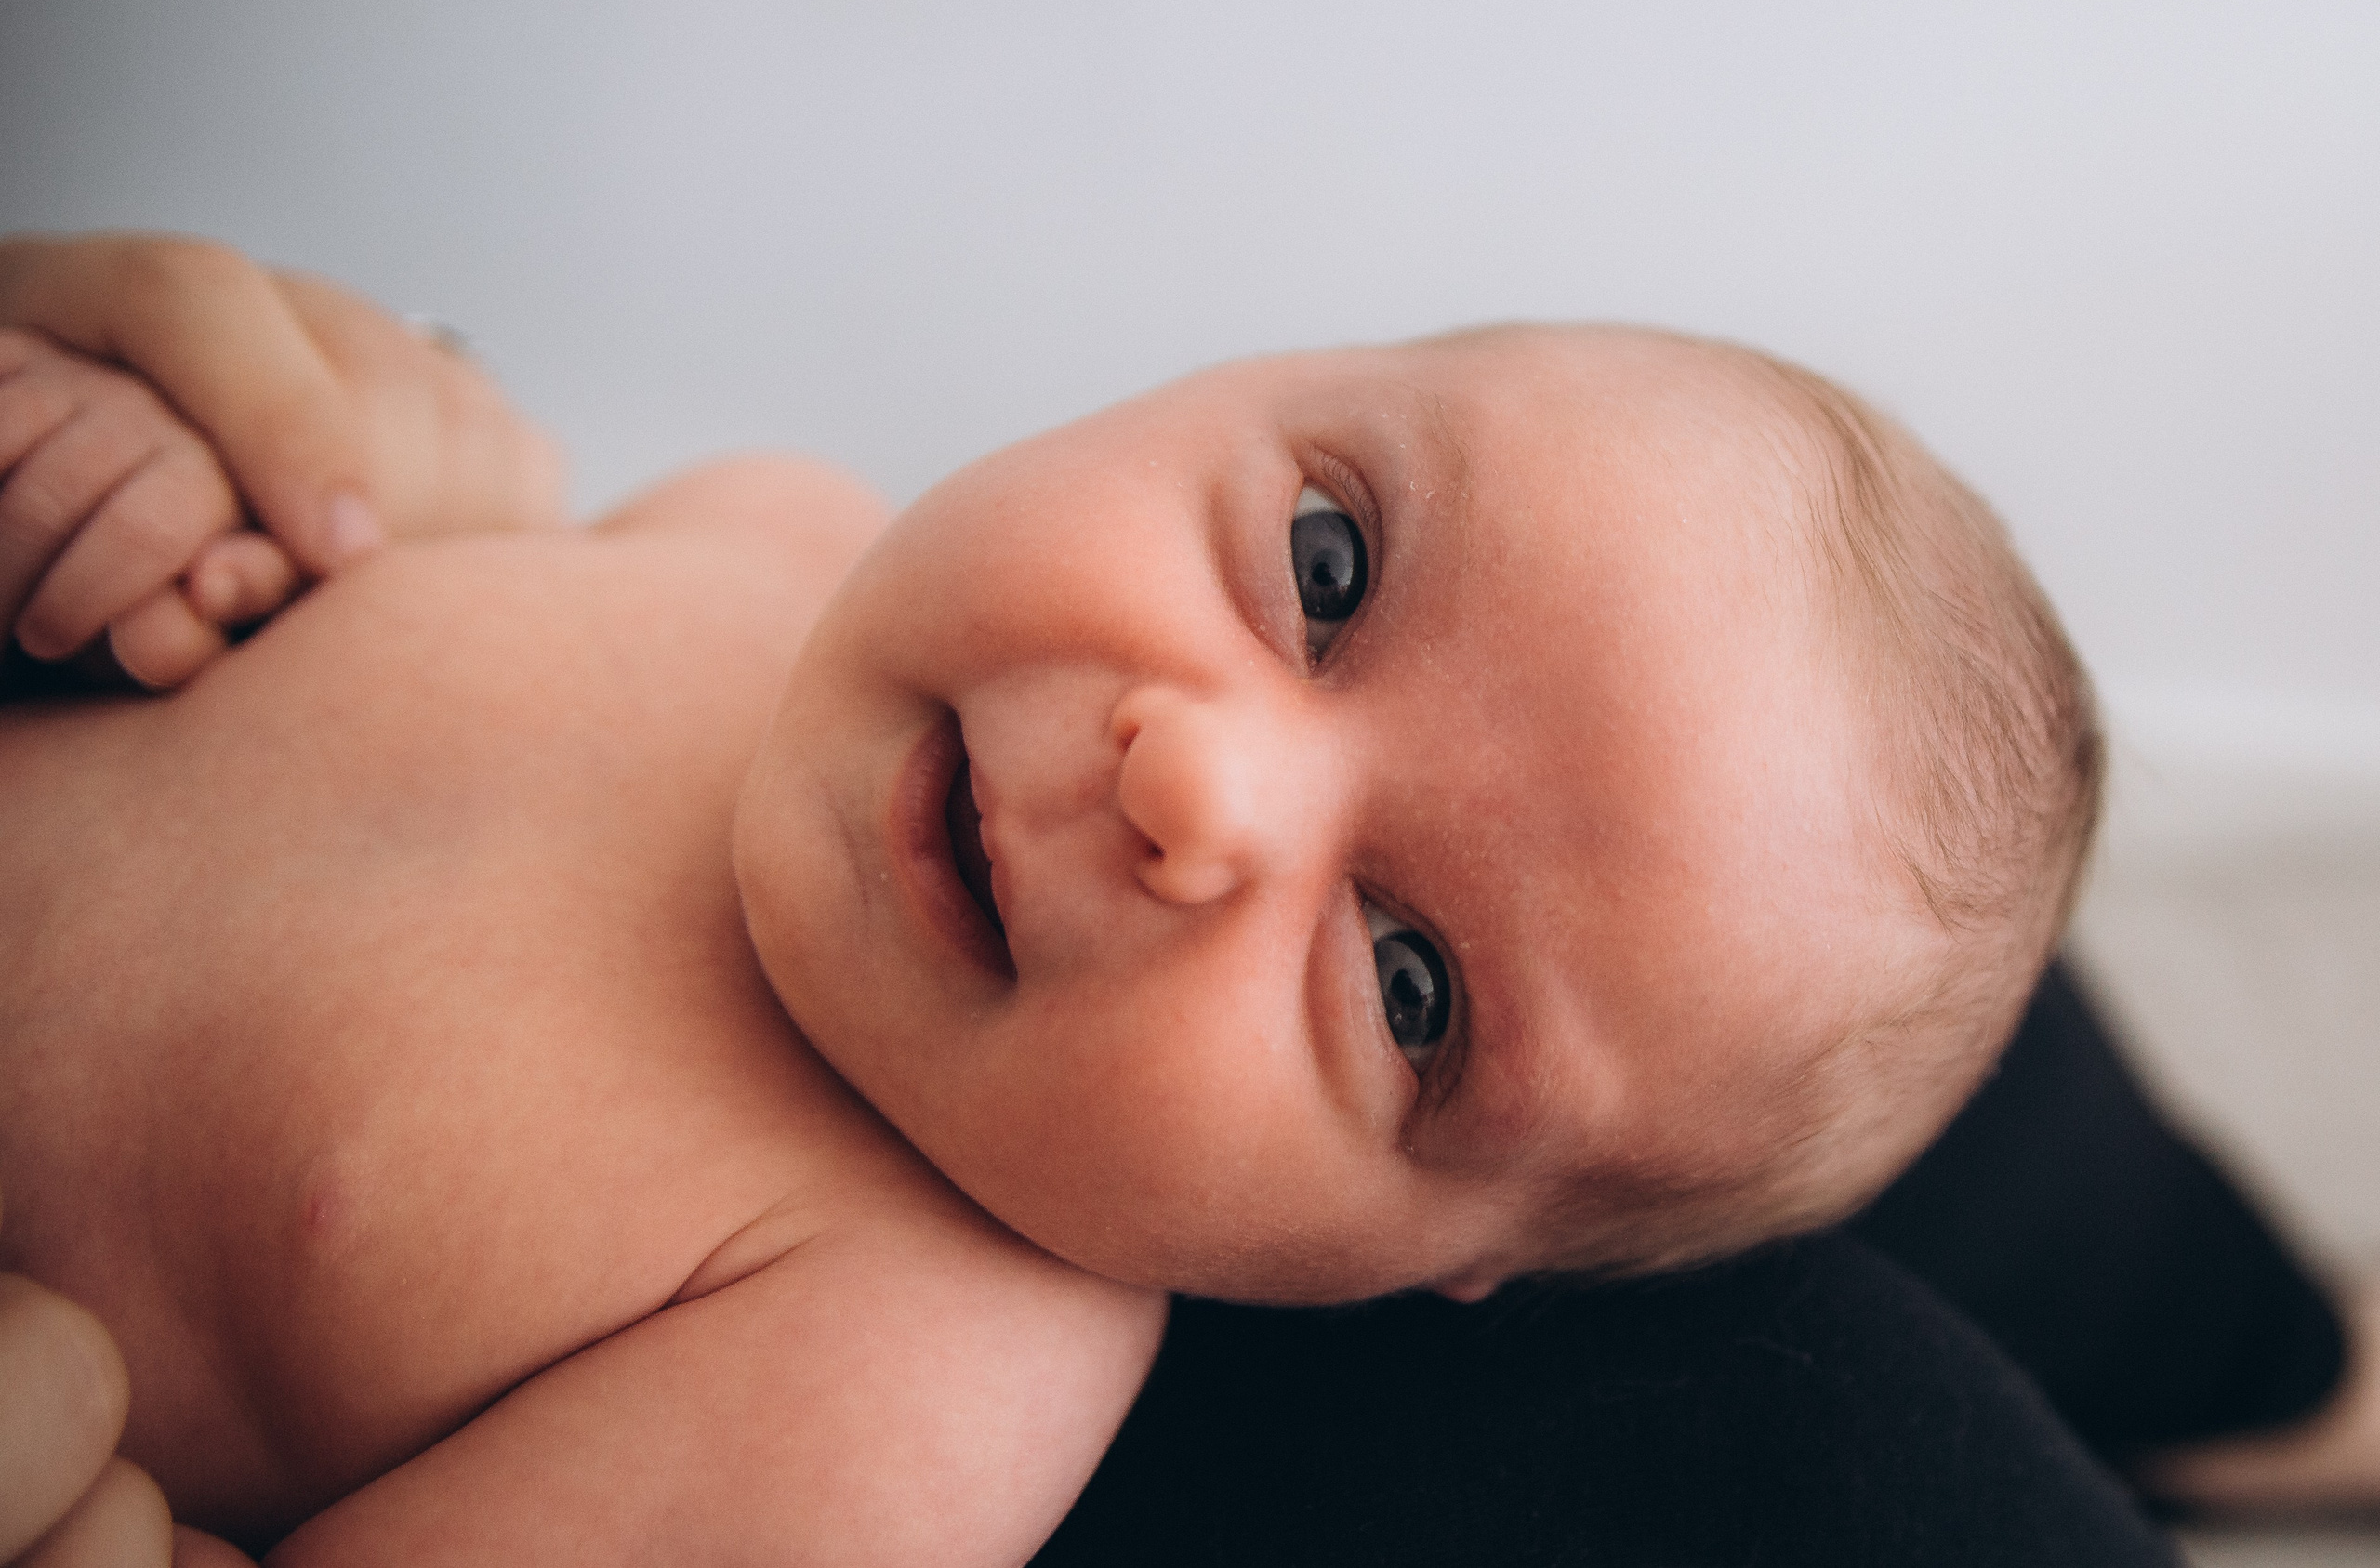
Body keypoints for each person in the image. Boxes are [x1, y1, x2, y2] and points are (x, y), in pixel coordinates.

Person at [2, 230, 2096, 1563]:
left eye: (1408, 979)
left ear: (1423, 1274)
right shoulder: (760, 527)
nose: (1195, 779)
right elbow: (366, 528)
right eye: (1328, 569)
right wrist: (182, 477)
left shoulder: (910, 1371)